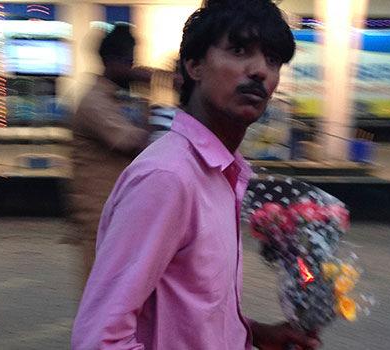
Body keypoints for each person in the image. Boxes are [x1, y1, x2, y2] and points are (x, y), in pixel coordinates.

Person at [72, 1, 320, 349]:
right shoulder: (168, 178)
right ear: (194, 65)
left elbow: (192, 309)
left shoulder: (223, 173)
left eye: (273, 59)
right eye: (238, 50)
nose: (260, 70)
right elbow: (99, 340)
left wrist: (253, 333)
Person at [70, 24, 151, 285]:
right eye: (129, 62)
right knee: (101, 294)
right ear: (111, 62)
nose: (133, 68)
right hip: (99, 218)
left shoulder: (115, 99)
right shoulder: (95, 102)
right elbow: (135, 142)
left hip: (117, 214)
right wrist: (153, 90)